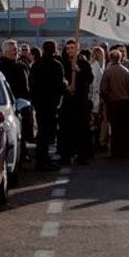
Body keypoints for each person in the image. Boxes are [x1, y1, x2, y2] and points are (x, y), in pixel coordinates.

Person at [30, 40, 65, 171]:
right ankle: (44, 160)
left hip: (40, 103)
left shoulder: (36, 65)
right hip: (51, 103)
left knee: (41, 132)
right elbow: (60, 85)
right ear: (54, 49)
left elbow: (32, 84)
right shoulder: (57, 65)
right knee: (48, 133)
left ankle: (42, 159)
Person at [58, 39, 94, 165]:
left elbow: (90, 79)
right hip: (68, 101)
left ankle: (82, 155)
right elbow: (59, 79)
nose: (70, 51)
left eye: (72, 48)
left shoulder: (83, 63)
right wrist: (66, 86)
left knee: (82, 129)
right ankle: (66, 155)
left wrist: (79, 70)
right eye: (68, 48)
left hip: (80, 101)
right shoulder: (62, 63)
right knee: (66, 129)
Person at [101, 49, 129, 158]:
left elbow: (103, 89)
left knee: (115, 129)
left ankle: (116, 152)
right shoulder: (126, 70)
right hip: (125, 102)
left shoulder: (108, 71)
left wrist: (107, 100)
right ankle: (128, 150)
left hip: (114, 103)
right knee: (127, 128)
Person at [89, 47, 106, 153]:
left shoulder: (95, 66)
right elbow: (95, 85)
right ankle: (94, 145)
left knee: (95, 122)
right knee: (95, 122)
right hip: (95, 97)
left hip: (95, 96)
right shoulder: (96, 67)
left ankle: (95, 144)